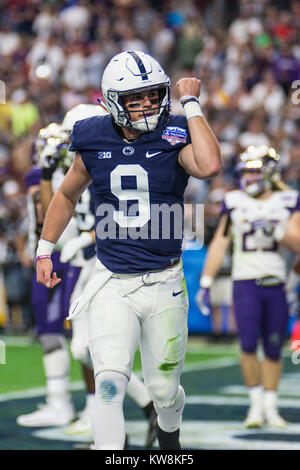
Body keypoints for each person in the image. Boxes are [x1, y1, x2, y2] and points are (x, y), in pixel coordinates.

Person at [35, 50, 221, 450]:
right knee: (108, 382)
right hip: (112, 279)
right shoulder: (91, 134)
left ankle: (169, 439)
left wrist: (191, 104)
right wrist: (44, 248)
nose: (149, 105)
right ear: (113, 100)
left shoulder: (175, 130)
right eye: (137, 98)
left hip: (164, 281)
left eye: (154, 95)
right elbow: (67, 194)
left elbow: (208, 166)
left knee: (164, 390)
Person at [197, 144, 300, 429]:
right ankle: (255, 406)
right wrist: (206, 280)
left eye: (255, 172)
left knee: (274, 346)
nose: (250, 178)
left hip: (276, 282)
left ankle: (271, 406)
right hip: (244, 283)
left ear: (269, 172)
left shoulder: (288, 200)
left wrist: (276, 228)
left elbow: (299, 243)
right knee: (246, 344)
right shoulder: (235, 201)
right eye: (246, 172)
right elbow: (221, 241)